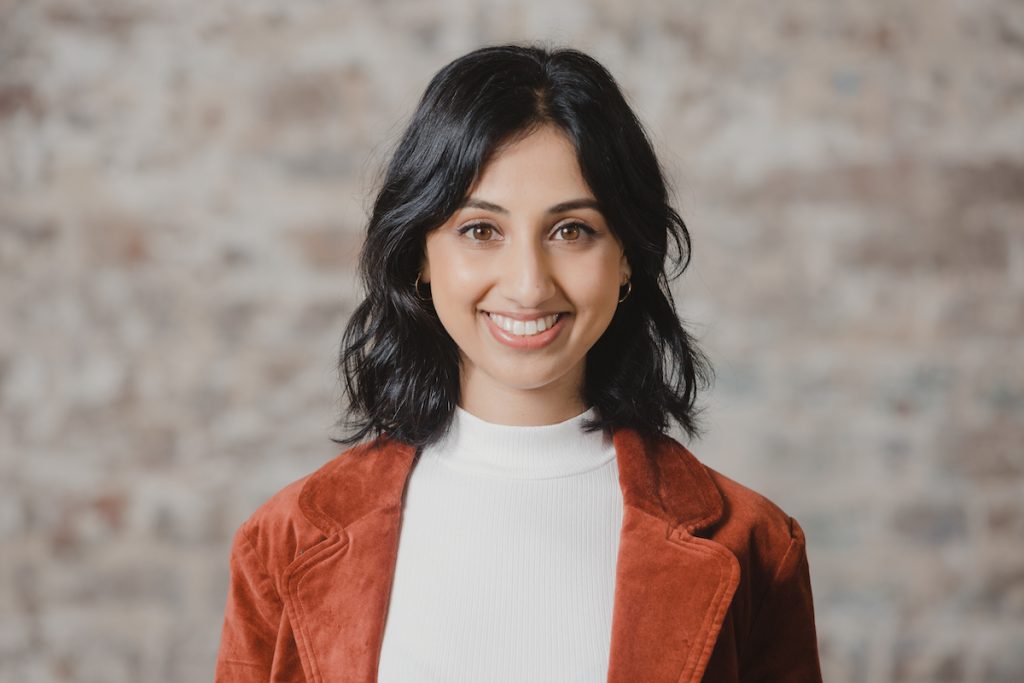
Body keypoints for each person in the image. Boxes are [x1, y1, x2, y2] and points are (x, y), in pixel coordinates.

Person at [214, 43, 823, 683]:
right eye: (481, 230)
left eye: (572, 231)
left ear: (626, 260)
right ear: (421, 255)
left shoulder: (756, 547)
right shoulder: (282, 543)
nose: (529, 285)